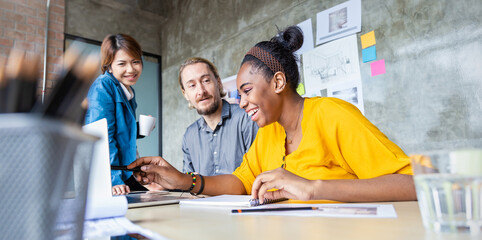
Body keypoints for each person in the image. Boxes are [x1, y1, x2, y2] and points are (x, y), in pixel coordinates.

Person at [128, 26, 416, 202]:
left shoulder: (332, 114)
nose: (241, 103)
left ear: (277, 83)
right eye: (239, 95)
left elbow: (413, 185)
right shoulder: (269, 132)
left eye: (247, 91)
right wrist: (184, 181)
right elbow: (240, 182)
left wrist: (313, 188)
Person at [85, 33, 156, 195]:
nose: (131, 69)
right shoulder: (103, 86)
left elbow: (121, 130)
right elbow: (101, 135)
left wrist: (141, 129)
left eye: (135, 62)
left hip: (126, 170)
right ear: (109, 66)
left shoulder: (128, 91)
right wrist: (114, 179)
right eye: (122, 63)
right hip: (112, 174)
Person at [178, 57, 258, 176]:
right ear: (185, 94)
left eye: (206, 80)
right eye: (192, 85)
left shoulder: (246, 119)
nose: (201, 91)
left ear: (218, 82)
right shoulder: (189, 135)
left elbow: (257, 175)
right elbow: (189, 183)